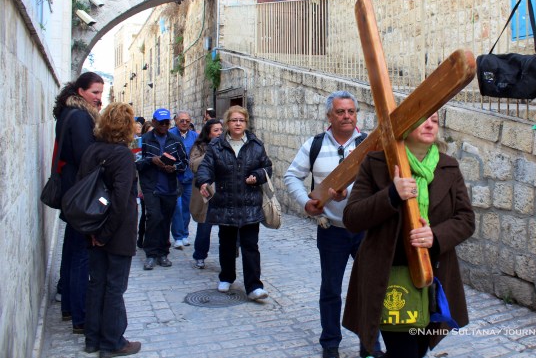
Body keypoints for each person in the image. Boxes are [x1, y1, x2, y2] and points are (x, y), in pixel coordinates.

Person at [342, 112, 476, 358]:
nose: (430, 124)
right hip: (390, 277)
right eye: (422, 118)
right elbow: (352, 218)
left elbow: (466, 220)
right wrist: (391, 194)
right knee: (404, 350)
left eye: (434, 120)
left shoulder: (448, 166)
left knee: (419, 348)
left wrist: (435, 235)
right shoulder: (376, 163)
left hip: (433, 275)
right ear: (405, 124)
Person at [283, 91, 383, 358]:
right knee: (330, 288)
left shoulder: (369, 144)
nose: (347, 116)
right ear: (329, 116)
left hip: (365, 230)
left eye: (351, 111)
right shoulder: (314, 145)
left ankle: (370, 344)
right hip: (332, 231)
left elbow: (382, 182)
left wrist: (350, 194)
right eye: (340, 112)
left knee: (370, 288)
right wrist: (305, 202)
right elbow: (291, 175)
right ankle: (330, 344)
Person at [79, 102, 141, 357]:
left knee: (97, 284)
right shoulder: (123, 156)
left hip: (93, 226)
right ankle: (113, 342)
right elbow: (120, 201)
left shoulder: (91, 151)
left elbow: (83, 191)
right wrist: (105, 236)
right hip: (116, 232)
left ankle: (93, 339)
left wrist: (95, 233)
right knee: (115, 287)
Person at [196, 106, 272, 301]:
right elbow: (206, 167)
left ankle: (254, 286)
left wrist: (257, 175)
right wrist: (204, 181)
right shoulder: (216, 146)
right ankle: (226, 276)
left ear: (246, 123)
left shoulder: (256, 145)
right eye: (234, 120)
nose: (238, 123)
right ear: (227, 123)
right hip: (225, 202)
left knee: (250, 246)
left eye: (241, 120)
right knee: (227, 244)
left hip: (249, 203)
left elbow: (267, 167)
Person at [52, 71, 104, 334]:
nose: (99, 98)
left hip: (70, 190)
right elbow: (87, 157)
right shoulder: (81, 117)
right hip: (80, 193)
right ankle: (81, 317)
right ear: (81, 91)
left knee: (72, 250)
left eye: (101, 93)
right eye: (95, 92)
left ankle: (70, 308)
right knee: (81, 254)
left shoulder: (67, 113)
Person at [136, 108, 188, 270]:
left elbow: (184, 162)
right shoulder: (141, 140)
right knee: (154, 217)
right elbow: (135, 162)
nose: (164, 126)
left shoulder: (175, 140)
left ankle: (163, 253)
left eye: (167, 123)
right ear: (154, 122)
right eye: (161, 123)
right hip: (151, 187)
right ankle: (151, 254)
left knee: (166, 220)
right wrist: (152, 160)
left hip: (170, 187)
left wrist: (175, 168)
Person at [189, 119, 224, 268]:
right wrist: (210, 152)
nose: (219, 133)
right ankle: (200, 255)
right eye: (216, 130)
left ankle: (228, 255)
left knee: (227, 226)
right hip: (207, 191)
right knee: (205, 226)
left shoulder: (227, 146)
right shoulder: (200, 147)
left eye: (221, 130)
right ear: (208, 132)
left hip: (224, 191)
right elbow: (193, 165)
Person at [169, 110, 198, 249]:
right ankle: (178, 236)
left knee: (187, 208)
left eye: (187, 121)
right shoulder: (170, 135)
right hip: (174, 178)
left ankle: (185, 234)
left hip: (189, 178)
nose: (185, 123)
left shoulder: (194, 136)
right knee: (177, 207)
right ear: (176, 121)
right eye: (182, 121)